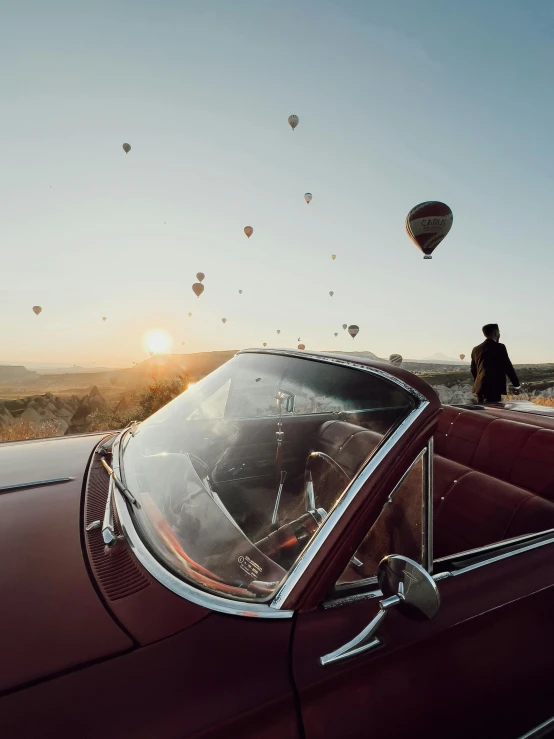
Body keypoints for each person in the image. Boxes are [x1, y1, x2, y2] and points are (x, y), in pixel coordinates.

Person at [471, 324, 521, 403]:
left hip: (479, 388)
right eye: (498, 332)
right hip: (493, 387)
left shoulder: (475, 349)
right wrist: (516, 385)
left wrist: (479, 383)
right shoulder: (500, 347)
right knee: (493, 412)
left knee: (483, 412)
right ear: (496, 333)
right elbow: (508, 367)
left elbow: (473, 370)